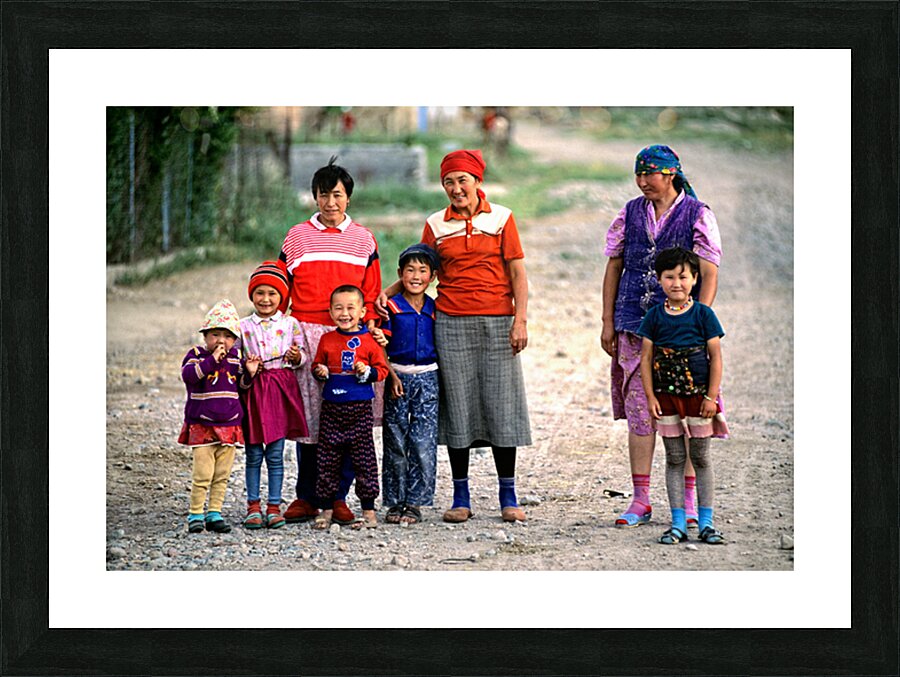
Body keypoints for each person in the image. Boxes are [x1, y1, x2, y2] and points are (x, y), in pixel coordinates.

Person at [376, 149, 531, 524]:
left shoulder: (502, 218)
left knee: (501, 405)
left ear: (478, 181)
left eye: (463, 180)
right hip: (450, 322)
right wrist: (389, 292)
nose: (456, 188)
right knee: (458, 406)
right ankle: (460, 495)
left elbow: (517, 273)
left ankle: (507, 495)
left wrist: (520, 319)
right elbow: (421, 269)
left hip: (497, 321)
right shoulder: (435, 224)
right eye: (449, 181)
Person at [601, 144, 723, 528]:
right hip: (634, 325)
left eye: (648, 175)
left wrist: (698, 323)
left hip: (683, 333)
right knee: (641, 412)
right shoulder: (630, 212)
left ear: (669, 174)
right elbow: (614, 266)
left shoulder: (698, 214)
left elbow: (710, 272)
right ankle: (640, 500)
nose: (641, 182)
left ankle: (687, 501)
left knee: (684, 411)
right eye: (637, 175)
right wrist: (608, 320)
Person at [278, 158, 383, 526]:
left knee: (350, 418)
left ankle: (338, 497)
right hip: (307, 334)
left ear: (348, 198)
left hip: (350, 339)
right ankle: (307, 496)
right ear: (315, 197)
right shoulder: (296, 236)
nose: (330, 202)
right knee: (311, 419)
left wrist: (370, 333)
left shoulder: (364, 239)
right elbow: (280, 288)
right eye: (323, 195)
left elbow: (370, 292)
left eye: (337, 195)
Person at [637, 247, 729, 545]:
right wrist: (650, 397)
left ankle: (706, 523)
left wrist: (711, 397)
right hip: (666, 399)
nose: (676, 283)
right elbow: (646, 359)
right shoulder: (653, 317)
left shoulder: (704, 315)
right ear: (659, 280)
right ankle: (677, 523)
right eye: (669, 277)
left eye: (683, 276)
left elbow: (715, 357)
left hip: (698, 399)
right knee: (675, 457)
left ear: (694, 279)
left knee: (700, 457)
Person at [372, 243, 440, 525]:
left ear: (432, 277)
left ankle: (415, 502)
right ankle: (394, 501)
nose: (416, 276)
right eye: (410, 269)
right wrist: (391, 376)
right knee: (396, 441)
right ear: (400, 274)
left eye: (422, 270)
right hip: (397, 377)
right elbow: (380, 346)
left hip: (428, 378)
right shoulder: (390, 308)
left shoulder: (435, 308)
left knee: (423, 442)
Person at [311, 285, 389, 530]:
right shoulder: (327, 339)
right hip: (332, 409)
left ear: (363, 311)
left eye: (350, 308)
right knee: (327, 461)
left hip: (360, 411)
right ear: (331, 312)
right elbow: (316, 366)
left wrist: (367, 372)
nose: (344, 313)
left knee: (365, 461)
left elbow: (382, 370)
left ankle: (368, 511)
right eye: (338, 308)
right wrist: (320, 371)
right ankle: (326, 509)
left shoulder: (368, 340)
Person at [238, 261, 309, 530]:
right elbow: (236, 361)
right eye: (260, 293)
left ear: (282, 296)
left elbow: (301, 355)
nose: (266, 299)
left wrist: (296, 356)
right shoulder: (243, 326)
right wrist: (247, 368)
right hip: (256, 391)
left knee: (276, 454)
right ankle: (253, 507)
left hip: (280, 389)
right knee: (254, 452)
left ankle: (274, 506)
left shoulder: (290, 323)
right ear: (251, 295)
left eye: (272, 294)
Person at [179, 299, 257, 534]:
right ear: (205, 336)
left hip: (230, 424)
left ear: (235, 340)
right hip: (202, 425)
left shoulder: (235, 358)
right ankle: (195, 514)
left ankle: (214, 512)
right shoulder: (196, 355)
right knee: (202, 473)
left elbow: (241, 386)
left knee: (222, 474)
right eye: (215, 334)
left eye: (227, 336)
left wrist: (250, 373)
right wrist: (212, 359)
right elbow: (190, 377)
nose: (221, 341)